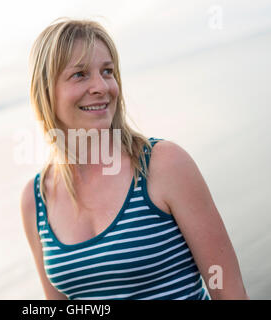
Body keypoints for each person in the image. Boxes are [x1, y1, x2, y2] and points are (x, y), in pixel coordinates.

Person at [20, 17, 249, 300]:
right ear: (45, 91)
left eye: (107, 71)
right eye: (80, 74)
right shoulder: (35, 199)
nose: (102, 86)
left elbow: (230, 292)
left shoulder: (163, 165)